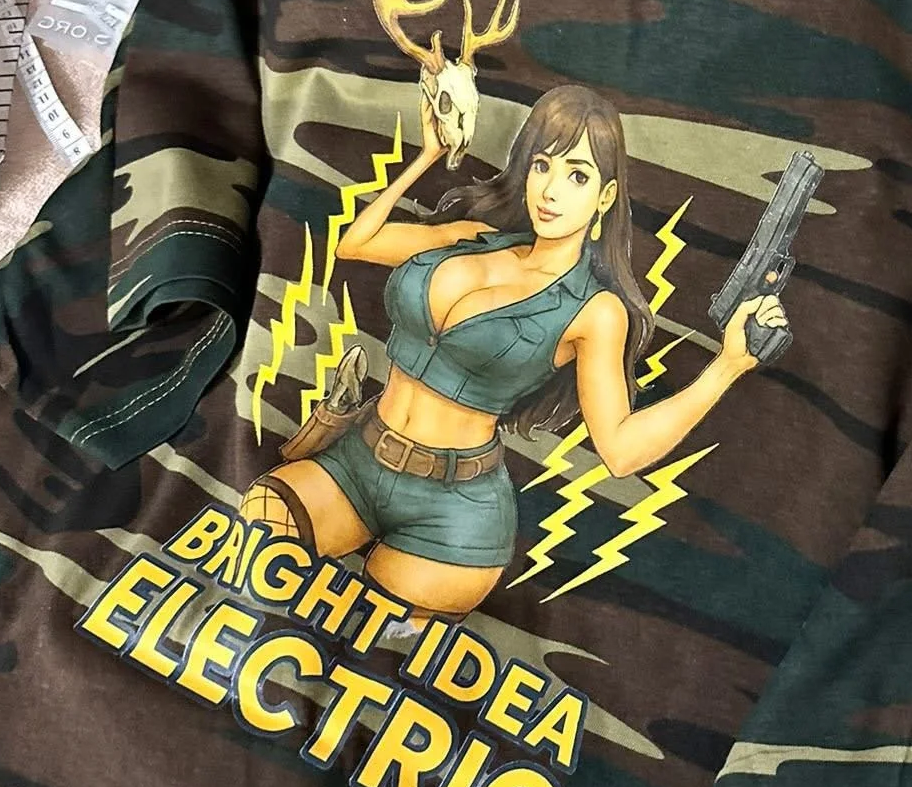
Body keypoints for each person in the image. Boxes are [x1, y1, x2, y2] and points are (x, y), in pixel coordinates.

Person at [242, 83, 788, 617]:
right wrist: (428, 154)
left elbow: (620, 451)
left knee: (360, 635)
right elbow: (356, 244)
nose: (551, 191)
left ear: (605, 196)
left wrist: (726, 366)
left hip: (455, 513)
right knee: (254, 540)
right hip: (357, 461)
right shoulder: (473, 235)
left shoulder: (597, 312)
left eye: (578, 175)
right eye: (542, 165)